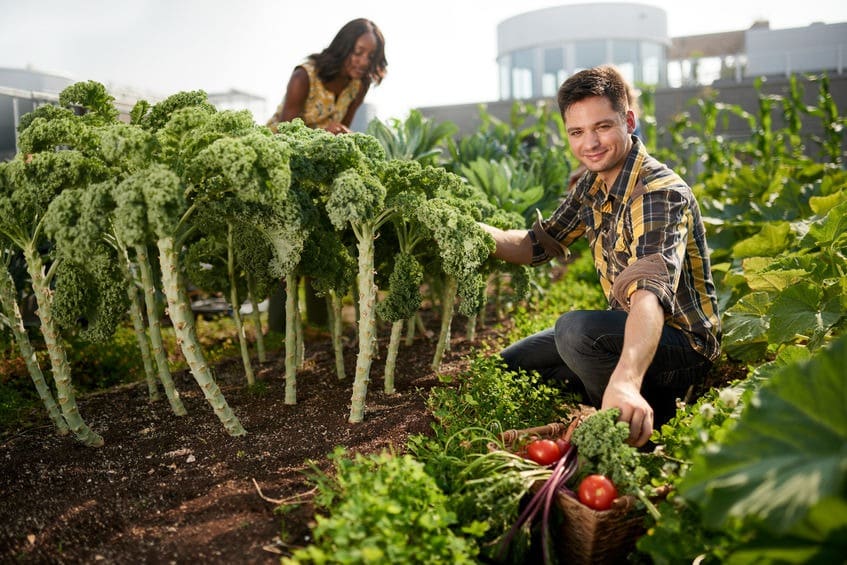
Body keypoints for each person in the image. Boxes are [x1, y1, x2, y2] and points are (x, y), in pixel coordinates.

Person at [480, 65, 721, 447]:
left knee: (574, 332)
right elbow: (538, 244)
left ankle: (642, 425)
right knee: (511, 365)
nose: (589, 143)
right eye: (577, 132)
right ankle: (615, 397)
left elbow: (648, 295)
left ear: (628, 120)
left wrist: (625, 378)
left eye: (602, 127)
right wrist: (473, 232)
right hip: (629, 327)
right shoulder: (593, 184)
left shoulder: (658, 193)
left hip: (682, 348)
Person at [267, 18, 387, 135]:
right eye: (358, 52)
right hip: (277, 147)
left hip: (319, 152)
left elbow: (341, 133)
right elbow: (284, 134)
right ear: (343, 47)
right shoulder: (303, 77)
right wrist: (323, 135)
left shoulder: (360, 85)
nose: (364, 62)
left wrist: (344, 133)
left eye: (371, 56)